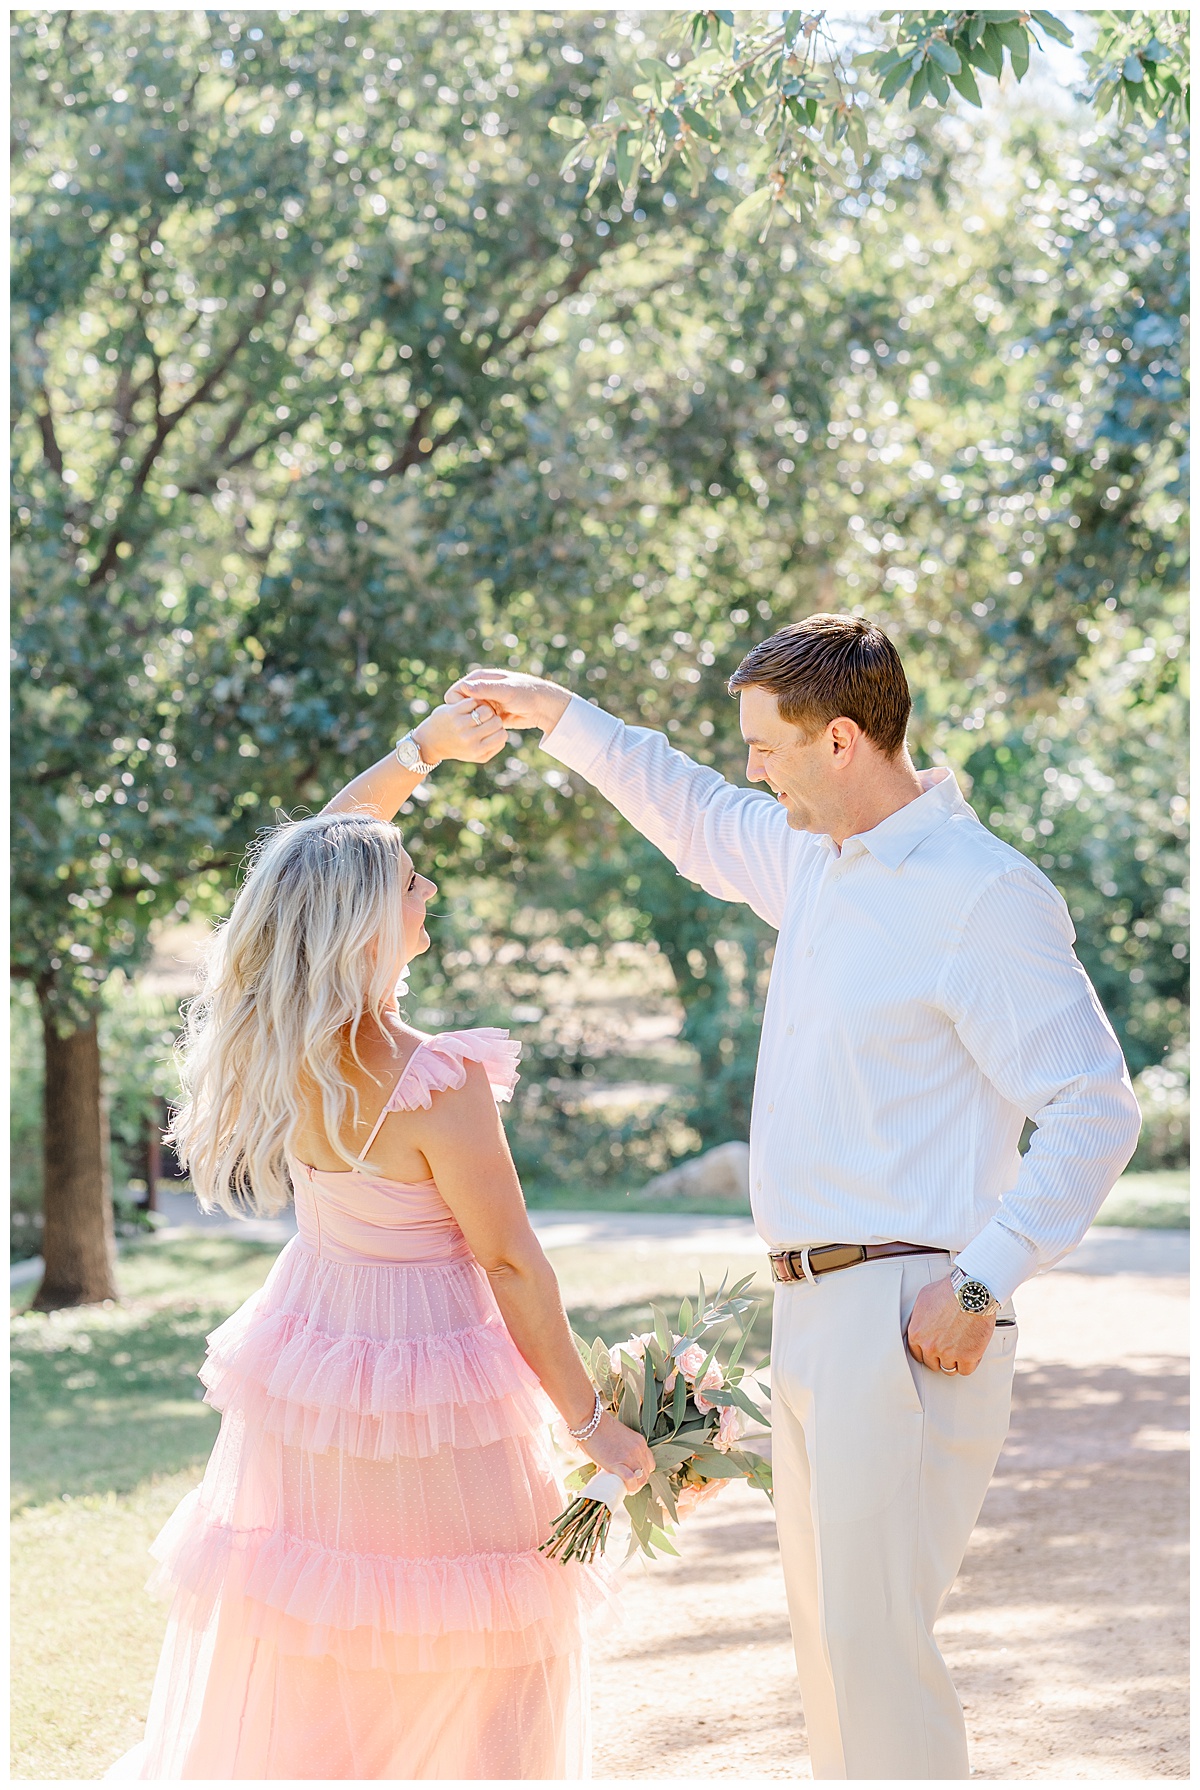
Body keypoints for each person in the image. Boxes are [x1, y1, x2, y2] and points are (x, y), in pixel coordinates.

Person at [450, 614, 1142, 1781]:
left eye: (766, 748)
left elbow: (1094, 1104)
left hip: (912, 1307)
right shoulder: (813, 862)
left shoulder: (980, 893)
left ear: (839, 740)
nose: (751, 772)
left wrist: (983, 1278)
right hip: (811, 1311)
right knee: (831, 1644)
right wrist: (557, 712)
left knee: (876, 1647)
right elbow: (682, 804)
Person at [107, 695, 654, 1782]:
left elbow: (312, 867)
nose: (430, 891)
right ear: (365, 922)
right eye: (413, 883)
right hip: (434, 1371)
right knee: (493, 1633)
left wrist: (418, 754)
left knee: (327, 1629)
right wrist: (592, 1421)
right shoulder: (435, 1084)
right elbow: (509, 1263)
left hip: (317, 1359)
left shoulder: (279, 1040)